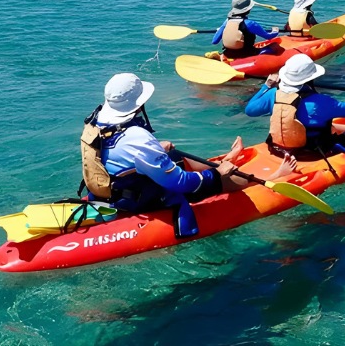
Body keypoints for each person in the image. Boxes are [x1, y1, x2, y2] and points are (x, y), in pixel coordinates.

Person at [80, 73, 296, 238]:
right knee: (220, 178)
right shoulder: (137, 138)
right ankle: (271, 177)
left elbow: (121, 154)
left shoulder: (97, 121)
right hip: (138, 199)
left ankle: (226, 160)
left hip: (113, 190)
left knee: (174, 155)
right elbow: (181, 183)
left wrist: (156, 148)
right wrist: (216, 175)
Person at [244, 53, 345, 160]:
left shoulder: (272, 94)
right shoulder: (321, 101)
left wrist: (266, 86)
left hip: (278, 148)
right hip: (313, 150)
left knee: (330, 126)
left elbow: (249, 110)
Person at [211, 0, 279, 59]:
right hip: (246, 53)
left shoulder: (227, 21)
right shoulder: (250, 23)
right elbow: (269, 36)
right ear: (248, 9)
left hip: (227, 53)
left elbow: (214, 41)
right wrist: (275, 31)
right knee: (275, 46)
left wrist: (220, 31)